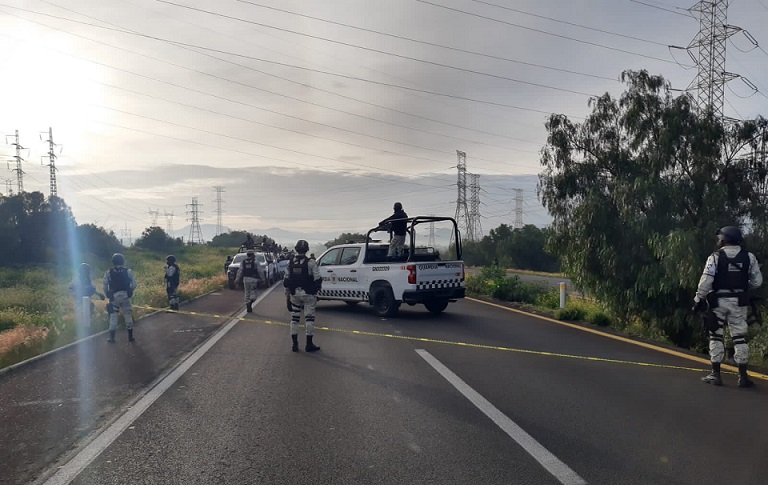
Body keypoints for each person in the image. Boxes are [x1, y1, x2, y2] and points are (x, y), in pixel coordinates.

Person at [693, 225, 763, 387]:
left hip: (717, 301)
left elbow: (706, 280)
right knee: (739, 337)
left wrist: (698, 298)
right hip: (739, 302)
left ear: (723, 240)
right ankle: (743, 377)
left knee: (716, 336)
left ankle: (715, 374)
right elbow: (757, 281)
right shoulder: (749, 257)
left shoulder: (715, 257)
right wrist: (741, 287)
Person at [284, 239, 323, 352]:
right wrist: (316, 291)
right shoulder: (311, 262)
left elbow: (286, 281)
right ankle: (309, 345)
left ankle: (294, 345)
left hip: (294, 294)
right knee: (309, 319)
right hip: (308, 294)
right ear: (307, 250)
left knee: (294, 319)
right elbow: (318, 279)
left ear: (296, 249)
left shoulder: (290, 263)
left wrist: (287, 297)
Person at [103, 253, 138, 343]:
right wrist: (130, 290)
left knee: (113, 316)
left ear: (113, 262)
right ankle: (130, 337)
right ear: (122, 261)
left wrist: (108, 294)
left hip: (114, 297)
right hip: (126, 296)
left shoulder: (108, 272)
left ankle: (112, 338)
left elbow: (105, 286)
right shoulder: (128, 271)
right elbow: (134, 284)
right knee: (128, 314)